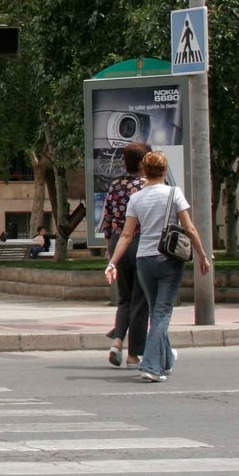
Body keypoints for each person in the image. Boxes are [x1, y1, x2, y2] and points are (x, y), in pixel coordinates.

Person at [105, 150, 211, 383]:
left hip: (144, 260)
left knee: (157, 311)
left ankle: (166, 360)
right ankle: (152, 366)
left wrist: (112, 262)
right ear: (164, 171)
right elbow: (190, 228)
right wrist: (203, 256)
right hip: (169, 260)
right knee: (161, 314)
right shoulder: (174, 193)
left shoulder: (137, 198)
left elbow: (126, 235)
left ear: (145, 170)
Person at [102, 141, 151, 368]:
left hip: (118, 246)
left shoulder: (115, 185)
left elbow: (108, 221)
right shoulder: (147, 185)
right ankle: (134, 354)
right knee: (140, 300)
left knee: (124, 298)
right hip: (141, 243)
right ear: (143, 162)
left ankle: (117, 342)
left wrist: (111, 252)